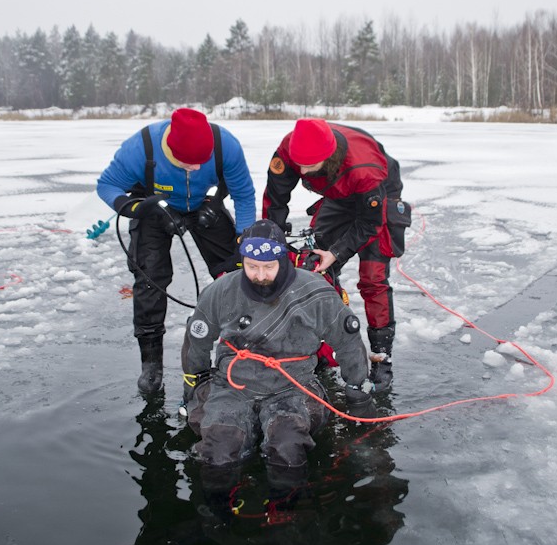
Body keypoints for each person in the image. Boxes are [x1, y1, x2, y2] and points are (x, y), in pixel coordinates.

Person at [181, 219, 372, 475]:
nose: (260, 275)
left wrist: (357, 390)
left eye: (268, 267)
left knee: (288, 451)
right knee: (219, 455)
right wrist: (194, 385)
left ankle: (287, 509)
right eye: (252, 267)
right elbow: (197, 340)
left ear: (282, 259)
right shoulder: (219, 291)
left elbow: (347, 340)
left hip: (293, 386)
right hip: (232, 386)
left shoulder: (316, 292)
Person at [97, 107, 256, 394]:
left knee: (236, 270)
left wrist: (246, 241)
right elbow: (107, 185)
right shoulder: (141, 147)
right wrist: (135, 208)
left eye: (201, 163)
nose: (195, 169)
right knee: (150, 279)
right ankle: (151, 363)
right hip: (153, 208)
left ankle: (242, 343)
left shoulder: (225, 145)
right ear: (170, 149)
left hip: (204, 206)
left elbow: (244, 195)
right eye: (187, 163)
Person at [262, 118, 411, 393]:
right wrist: (272, 243)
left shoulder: (364, 169)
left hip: (377, 196)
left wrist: (337, 252)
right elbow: (275, 199)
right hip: (338, 196)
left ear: (329, 156)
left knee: (372, 278)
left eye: (310, 166)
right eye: (300, 165)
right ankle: (320, 346)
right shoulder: (288, 151)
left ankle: (381, 358)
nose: (303, 171)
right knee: (314, 267)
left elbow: (370, 223)